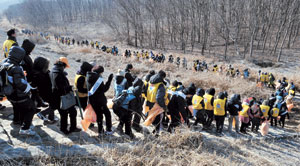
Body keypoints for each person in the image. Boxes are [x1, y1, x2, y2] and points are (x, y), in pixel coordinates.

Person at [6, 46, 36, 135]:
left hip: (9, 93)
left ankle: (17, 121)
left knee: (18, 107)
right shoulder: (16, 68)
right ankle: (25, 128)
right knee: (31, 109)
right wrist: (28, 88)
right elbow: (19, 84)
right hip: (18, 95)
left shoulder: (4, 64)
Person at [50, 57, 81, 135]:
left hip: (56, 96)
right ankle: (67, 129)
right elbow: (61, 87)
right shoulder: (59, 74)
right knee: (68, 113)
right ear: (62, 65)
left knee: (66, 113)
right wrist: (69, 88)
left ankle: (67, 128)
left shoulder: (52, 71)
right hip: (63, 97)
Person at [87, 65, 114, 136]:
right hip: (100, 100)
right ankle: (108, 130)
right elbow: (104, 89)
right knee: (107, 114)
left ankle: (100, 131)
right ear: (100, 72)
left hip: (92, 100)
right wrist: (109, 80)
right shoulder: (98, 79)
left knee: (99, 115)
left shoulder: (88, 76)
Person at [32, 57, 58, 124]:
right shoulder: (40, 75)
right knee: (55, 105)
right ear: (42, 66)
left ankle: (51, 118)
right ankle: (42, 114)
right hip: (47, 93)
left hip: (43, 93)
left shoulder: (36, 73)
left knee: (51, 104)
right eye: (46, 65)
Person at [145, 70, 167, 134]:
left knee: (153, 117)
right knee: (158, 119)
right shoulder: (160, 85)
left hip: (149, 101)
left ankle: (154, 130)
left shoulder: (150, 81)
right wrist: (163, 105)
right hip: (156, 104)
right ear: (162, 77)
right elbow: (159, 98)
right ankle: (156, 133)